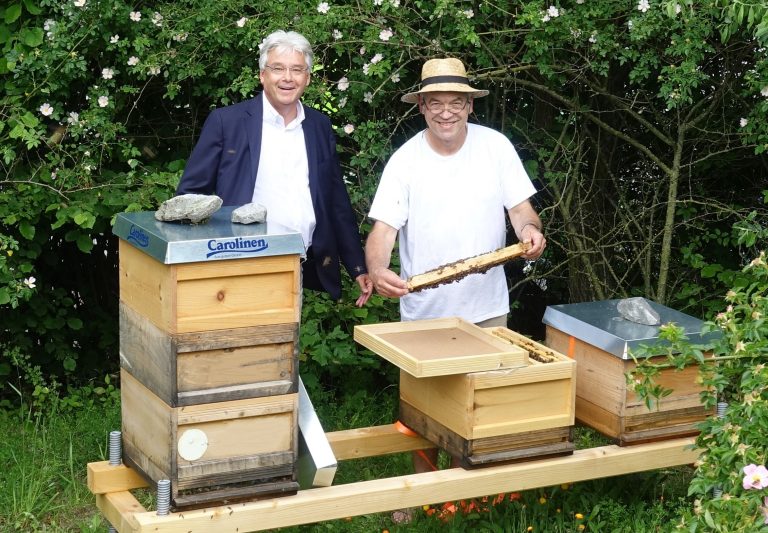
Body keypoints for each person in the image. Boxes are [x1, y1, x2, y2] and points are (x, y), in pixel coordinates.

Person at [364, 58, 547, 514]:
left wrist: (530, 232)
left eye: (456, 103)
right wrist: (379, 269)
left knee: (482, 402)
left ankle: (476, 491)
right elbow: (382, 233)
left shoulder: (496, 147)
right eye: (436, 103)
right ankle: (422, 491)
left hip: (487, 306)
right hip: (426, 311)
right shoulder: (405, 160)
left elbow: (522, 210)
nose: (446, 112)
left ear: (469, 105)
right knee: (422, 408)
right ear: (422, 106)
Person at [177, 30, 372, 306]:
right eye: (278, 68)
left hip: (301, 261)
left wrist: (357, 266)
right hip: (238, 265)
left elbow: (336, 199)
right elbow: (191, 197)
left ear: (307, 78)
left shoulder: (319, 126)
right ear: (262, 75)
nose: (287, 78)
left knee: (286, 343)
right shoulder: (226, 122)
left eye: (297, 70)